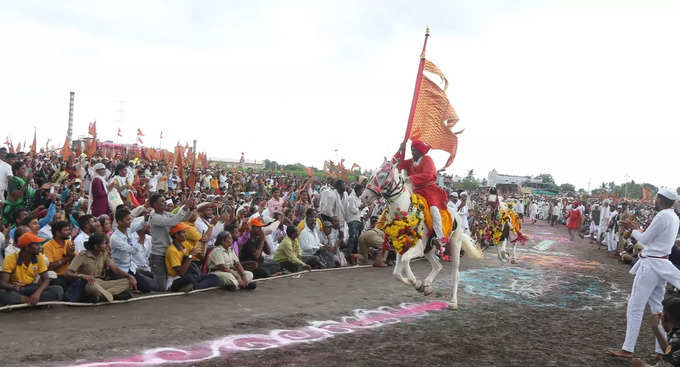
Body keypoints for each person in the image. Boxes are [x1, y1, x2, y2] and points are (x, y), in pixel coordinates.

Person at [609, 188, 680, 360]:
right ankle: (660, 350)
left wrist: (631, 229)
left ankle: (628, 349)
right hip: (661, 263)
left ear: (661, 200)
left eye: (656, 199)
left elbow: (645, 240)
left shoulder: (663, 215)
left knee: (635, 306)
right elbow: (653, 238)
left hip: (651, 265)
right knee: (657, 307)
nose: (655, 202)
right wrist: (636, 228)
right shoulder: (674, 216)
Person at [396, 139, 449, 245]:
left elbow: (429, 175)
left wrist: (411, 178)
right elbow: (400, 164)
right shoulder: (411, 161)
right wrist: (401, 150)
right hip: (415, 191)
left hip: (429, 190)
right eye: (411, 150)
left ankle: (440, 237)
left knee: (434, 210)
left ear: (420, 151)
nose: (412, 152)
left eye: (414, 150)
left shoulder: (427, 159)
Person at [65, 233, 137, 302]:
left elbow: (115, 269)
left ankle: (103, 296)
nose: (106, 245)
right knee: (93, 288)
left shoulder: (103, 254)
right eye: (104, 243)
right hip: (89, 284)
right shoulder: (82, 256)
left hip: (101, 282)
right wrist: (81, 275)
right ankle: (111, 296)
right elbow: (67, 273)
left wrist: (130, 276)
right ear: (96, 246)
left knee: (128, 282)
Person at [0, 232, 64, 305]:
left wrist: (37, 293)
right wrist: (12, 287)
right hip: (16, 289)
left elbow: (46, 279)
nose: (40, 247)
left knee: (58, 290)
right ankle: (29, 300)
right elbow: (2, 283)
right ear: (27, 247)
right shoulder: (11, 258)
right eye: (36, 244)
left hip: (31, 287)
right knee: (2, 294)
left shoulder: (39, 257)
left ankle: (24, 301)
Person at [148, 192, 195, 292]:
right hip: (159, 255)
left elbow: (180, 220)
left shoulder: (165, 214)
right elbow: (173, 221)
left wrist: (190, 209)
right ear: (155, 205)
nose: (165, 203)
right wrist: (185, 206)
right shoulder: (154, 217)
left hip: (169, 252)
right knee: (160, 287)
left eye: (165, 201)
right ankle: (142, 276)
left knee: (168, 282)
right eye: (162, 201)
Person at [110, 208, 155, 293]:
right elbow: (132, 250)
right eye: (127, 220)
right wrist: (141, 239)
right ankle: (130, 285)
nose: (130, 221)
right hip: (120, 270)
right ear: (119, 222)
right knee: (144, 287)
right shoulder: (115, 238)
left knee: (148, 286)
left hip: (131, 267)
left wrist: (145, 219)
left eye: (130, 219)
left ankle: (132, 284)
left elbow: (139, 225)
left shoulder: (128, 229)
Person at [165, 223, 219, 292]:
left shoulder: (185, 243)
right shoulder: (172, 250)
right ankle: (194, 286)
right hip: (177, 278)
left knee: (214, 277)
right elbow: (181, 273)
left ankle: (194, 287)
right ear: (176, 235)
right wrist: (190, 256)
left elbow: (201, 257)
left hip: (190, 276)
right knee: (189, 278)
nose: (186, 234)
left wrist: (204, 243)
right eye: (183, 232)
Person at [631, 296, 680, 367]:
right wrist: (656, 329)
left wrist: (642, 365)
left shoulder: (676, 342)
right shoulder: (676, 333)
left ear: (664, 318)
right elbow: (669, 351)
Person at [42, 220, 76, 288]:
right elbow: (49, 267)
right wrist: (67, 257)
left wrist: (72, 255)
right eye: (66, 230)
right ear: (58, 233)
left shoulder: (68, 242)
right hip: (57, 276)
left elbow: (75, 260)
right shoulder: (47, 246)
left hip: (70, 274)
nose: (69, 232)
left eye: (69, 230)